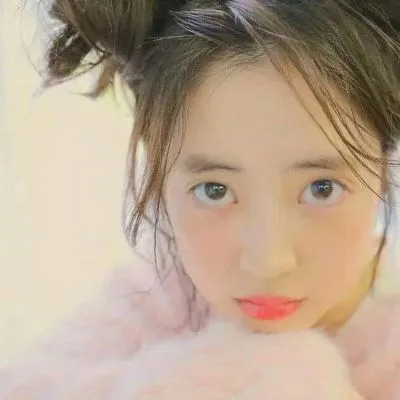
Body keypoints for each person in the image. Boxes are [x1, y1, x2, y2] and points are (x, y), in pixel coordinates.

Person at [1, 0, 400, 398]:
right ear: (159, 167)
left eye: (322, 188)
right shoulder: (163, 289)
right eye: (215, 191)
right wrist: (268, 366)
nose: (268, 262)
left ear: (383, 167)